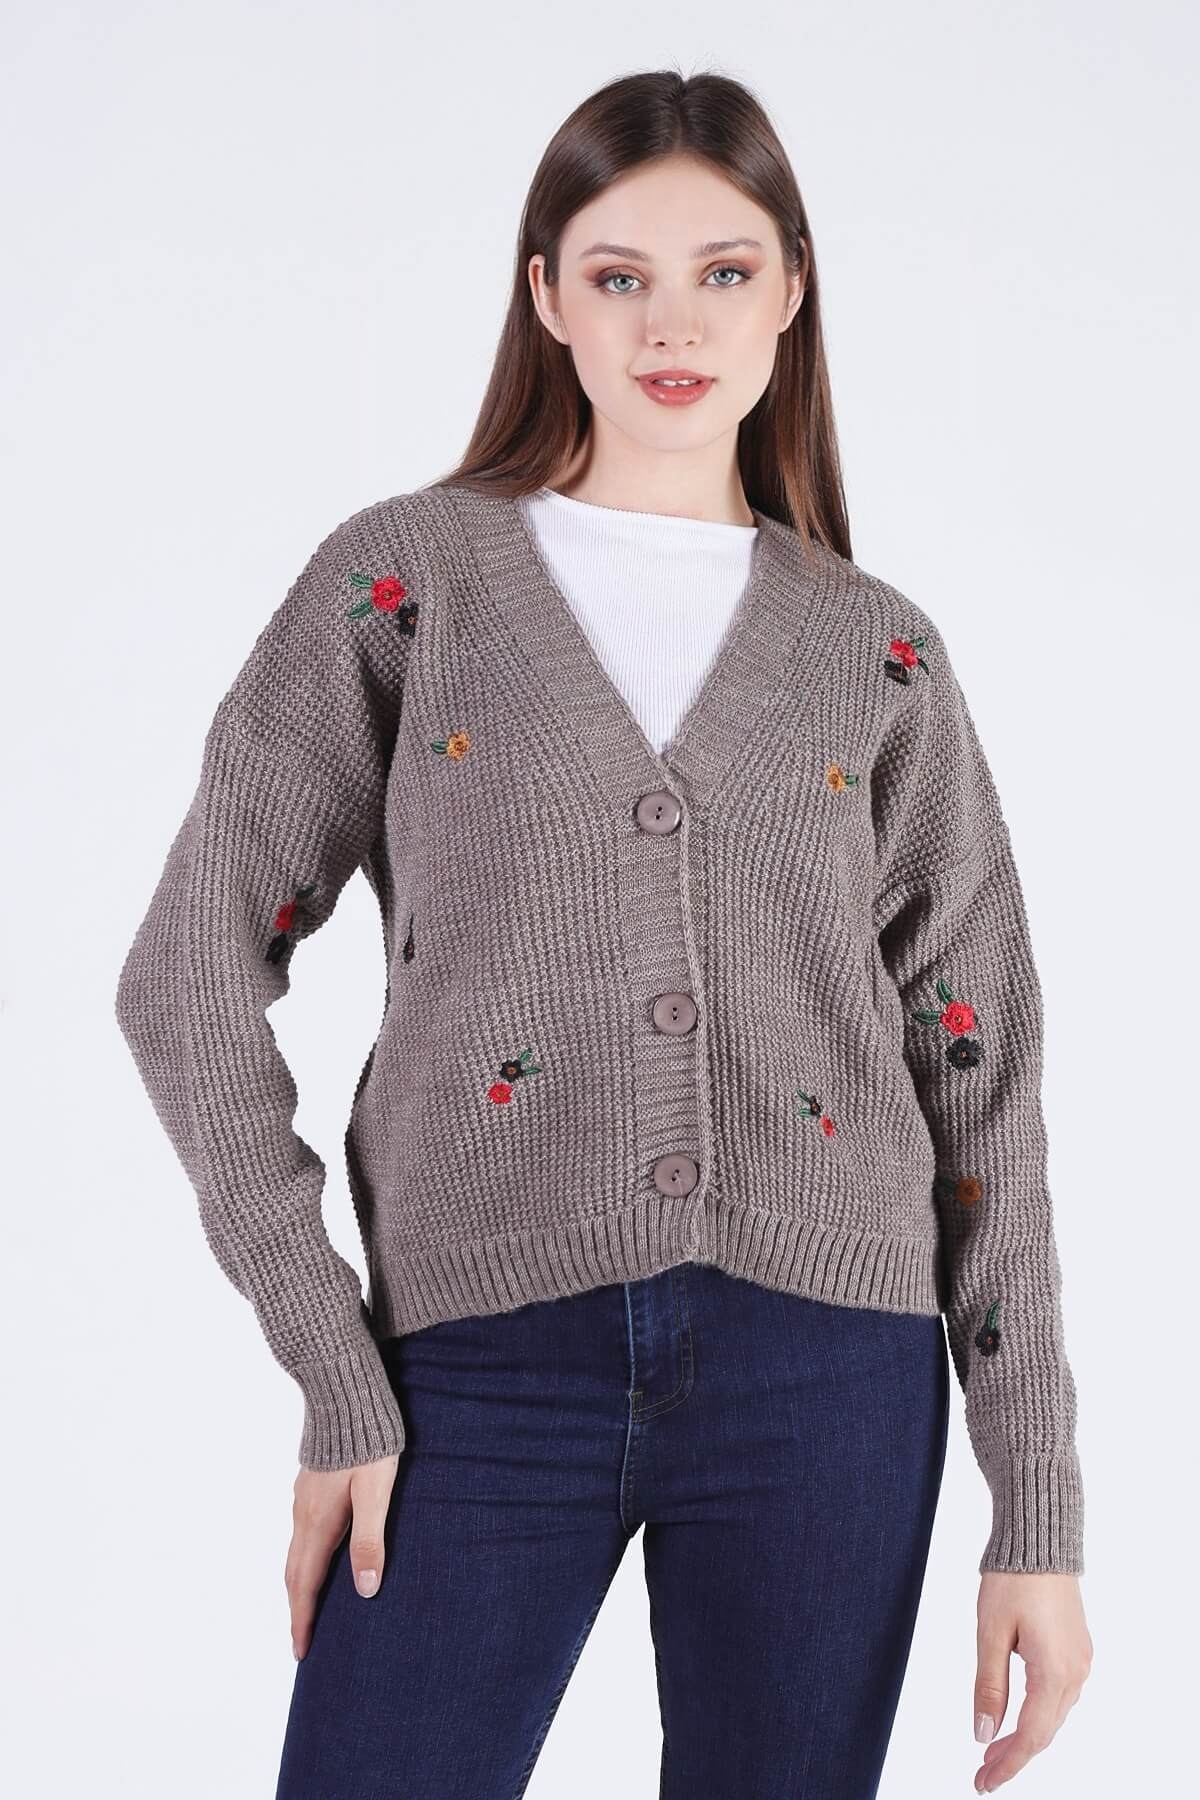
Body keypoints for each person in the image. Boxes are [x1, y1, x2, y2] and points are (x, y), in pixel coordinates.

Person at [114, 67, 1092, 1800]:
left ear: (792, 293)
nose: (672, 324)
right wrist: (335, 1370)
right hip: (474, 1374)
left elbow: (981, 1073)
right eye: (619, 273)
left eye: (724, 271)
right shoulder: (405, 586)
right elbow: (184, 980)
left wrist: (1040, 1512)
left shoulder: (876, 651)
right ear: (546, 294)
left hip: (831, 1375)